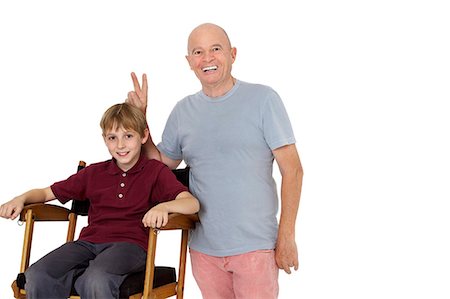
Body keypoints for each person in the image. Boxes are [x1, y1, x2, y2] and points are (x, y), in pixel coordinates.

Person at [127, 23, 303, 299]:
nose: (207, 58)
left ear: (232, 54)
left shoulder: (263, 99)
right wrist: (141, 118)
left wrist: (287, 237)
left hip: (255, 247)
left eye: (215, 49)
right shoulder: (183, 111)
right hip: (204, 249)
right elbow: (159, 165)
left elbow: (292, 170)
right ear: (189, 62)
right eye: (198, 52)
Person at [0, 103, 200, 299]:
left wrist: (163, 207)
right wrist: (21, 198)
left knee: (95, 280)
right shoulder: (94, 173)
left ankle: (86, 280)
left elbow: (191, 203)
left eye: (128, 136)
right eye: (113, 138)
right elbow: (45, 194)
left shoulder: (155, 171)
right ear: (105, 139)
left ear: (144, 136)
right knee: (36, 275)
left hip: (130, 246)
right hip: (88, 244)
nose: (120, 145)